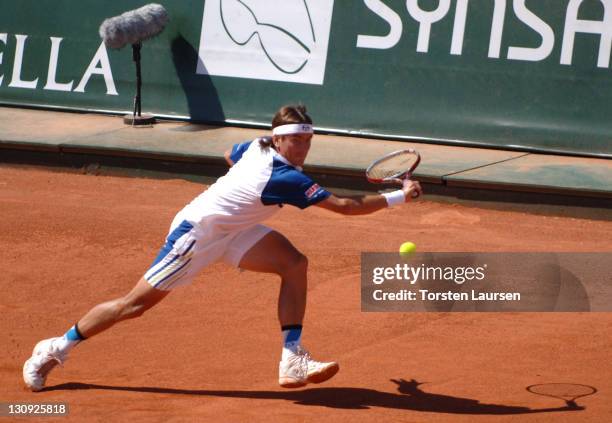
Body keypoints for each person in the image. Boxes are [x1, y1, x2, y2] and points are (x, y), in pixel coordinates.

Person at [23, 105, 422, 391]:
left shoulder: (257, 144)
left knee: (294, 263)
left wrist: (235, 197)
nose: (303, 147)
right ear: (279, 140)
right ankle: (56, 347)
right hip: (196, 236)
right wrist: (400, 197)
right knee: (134, 306)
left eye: (307, 139)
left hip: (236, 230)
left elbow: (228, 154)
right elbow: (343, 206)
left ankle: (292, 357)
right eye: (296, 140)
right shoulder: (282, 177)